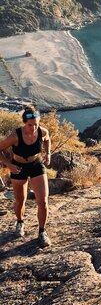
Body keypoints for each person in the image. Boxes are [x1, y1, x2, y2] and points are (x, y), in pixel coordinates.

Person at [0, 106, 52, 247]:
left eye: (36, 124)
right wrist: (8, 164)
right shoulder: (15, 136)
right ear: (24, 123)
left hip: (36, 165)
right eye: (30, 125)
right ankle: (20, 222)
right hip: (19, 168)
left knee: (43, 201)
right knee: (20, 200)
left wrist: (48, 154)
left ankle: (42, 232)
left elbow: (47, 139)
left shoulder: (42, 131)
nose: (33, 128)